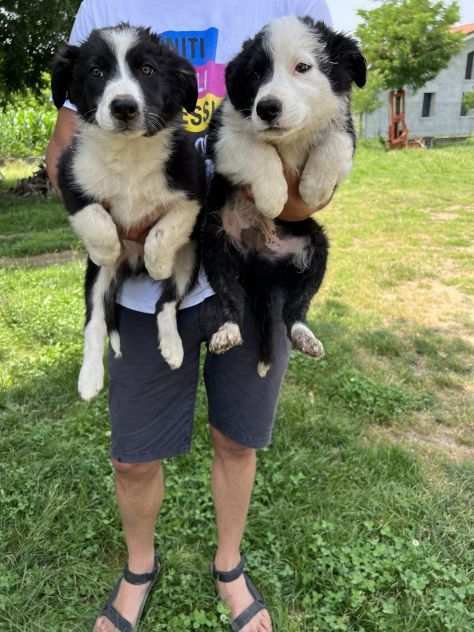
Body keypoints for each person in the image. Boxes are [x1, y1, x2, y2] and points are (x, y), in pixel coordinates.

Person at [46, 2, 333, 630]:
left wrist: (271, 205)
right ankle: (140, 566)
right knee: (132, 455)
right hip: (143, 286)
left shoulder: (288, 9)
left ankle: (228, 564)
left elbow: (319, 171)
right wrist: (113, 223)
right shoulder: (104, 8)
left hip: (249, 269)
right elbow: (62, 156)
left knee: (237, 440)